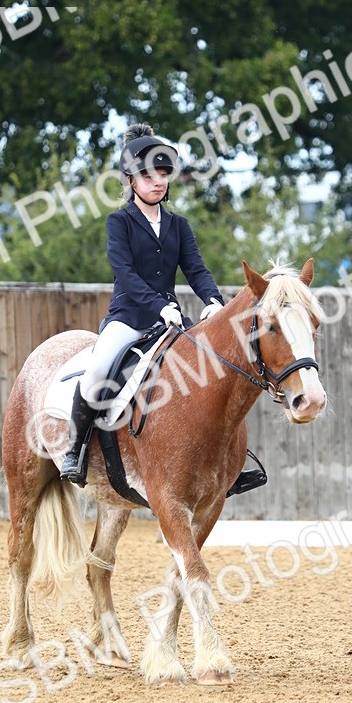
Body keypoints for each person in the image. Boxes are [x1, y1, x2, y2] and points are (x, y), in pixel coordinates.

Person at [60, 124, 224, 484]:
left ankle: (222, 460)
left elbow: (196, 269)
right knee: (97, 372)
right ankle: (76, 449)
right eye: (149, 176)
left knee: (213, 369)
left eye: (163, 175)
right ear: (132, 180)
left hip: (170, 321)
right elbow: (126, 273)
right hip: (129, 318)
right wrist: (159, 306)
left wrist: (213, 301)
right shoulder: (119, 222)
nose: (158, 182)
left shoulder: (179, 225)